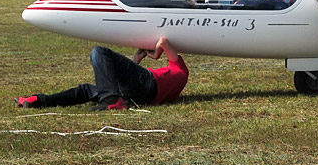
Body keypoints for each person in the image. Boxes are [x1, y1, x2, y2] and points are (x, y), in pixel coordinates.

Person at [17, 36, 189, 111]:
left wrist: (155, 54)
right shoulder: (175, 83)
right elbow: (131, 81)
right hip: (139, 96)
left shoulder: (181, 70)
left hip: (146, 85)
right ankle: (39, 100)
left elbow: (164, 41)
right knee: (86, 90)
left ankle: (112, 100)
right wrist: (136, 60)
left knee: (100, 52)